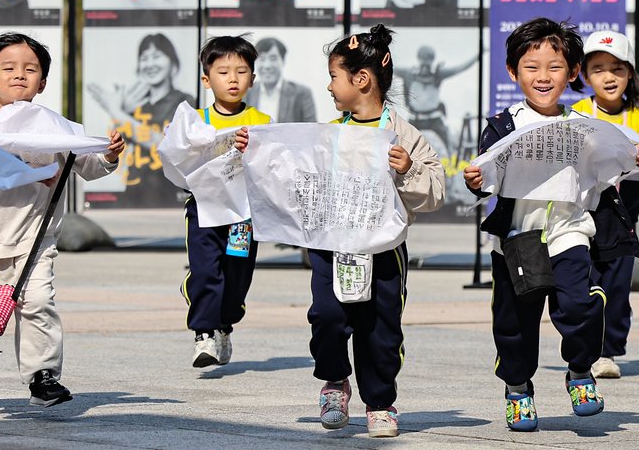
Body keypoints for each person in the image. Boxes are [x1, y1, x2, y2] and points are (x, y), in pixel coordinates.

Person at [235, 24, 444, 438]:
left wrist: (409, 170)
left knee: (380, 330)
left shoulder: (405, 135)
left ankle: (380, 403)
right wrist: (255, 152)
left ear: (361, 79)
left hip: (383, 251)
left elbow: (434, 191)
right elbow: (294, 177)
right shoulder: (327, 134)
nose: (329, 86)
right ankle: (334, 382)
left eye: (334, 76)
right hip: (332, 248)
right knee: (327, 318)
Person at [463, 18, 639, 432]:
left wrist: (634, 155)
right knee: (515, 322)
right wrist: (475, 182)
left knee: (579, 306)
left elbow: (608, 171)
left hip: (570, 231)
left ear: (572, 72)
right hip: (516, 240)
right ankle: (517, 389)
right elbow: (484, 178)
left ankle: (580, 372)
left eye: (554, 67)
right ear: (513, 72)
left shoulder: (585, 126)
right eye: (531, 67)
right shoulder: (502, 125)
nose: (543, 77)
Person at [0, 33, 125, 417]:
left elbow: (90, 166)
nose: (19, 75)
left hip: (37, 239)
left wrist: (109, 155)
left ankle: (42, 377)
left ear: (43, 82)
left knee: (39, 305)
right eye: (8, 68)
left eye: (30, 69)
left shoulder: (58, 128)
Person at [571, 30, 639, 379]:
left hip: (623, 223)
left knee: (618, 288)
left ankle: (607, 353)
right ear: (584, 75)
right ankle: (582, 349)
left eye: (617, 69)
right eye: (599, 68)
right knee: (581, 286)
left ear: (630, 74)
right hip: (582, 218)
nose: (609, 77)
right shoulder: (574, 116)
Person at [170, 35, 271, 369]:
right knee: (205, 269)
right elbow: (178, 159)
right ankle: (204, 334)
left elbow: (274, 166)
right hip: (204, 208)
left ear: (252, 79)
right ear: (206, 79)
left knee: (236, 276)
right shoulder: (195, 120)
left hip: (243, 214)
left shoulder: (262, 123)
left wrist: (254, 147)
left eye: (241, 72)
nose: (232, 79)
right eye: (223, 71)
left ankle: (224, 324)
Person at [88, 33, 194, 207]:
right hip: (132, 196)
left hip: (170, 197)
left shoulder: (184, 101)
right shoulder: (134, 105)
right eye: (144, 58)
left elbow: (164, 144)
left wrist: (116, 111)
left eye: (157, 56)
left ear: (173, 65)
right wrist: (122, 111)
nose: (150, 64)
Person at [393, 45, 477, 157]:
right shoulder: (410, 74)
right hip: (415, 119)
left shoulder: (438, 74)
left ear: (432, 60)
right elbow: (388, 67)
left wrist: (478, 55)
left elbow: (459, 68)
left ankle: (452, 168)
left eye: (428, 60)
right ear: (419, 59)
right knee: (401, 147)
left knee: (450, 149)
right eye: (423, 59)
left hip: (435, 119)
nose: (425, 64)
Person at [243, 37, 316, 123]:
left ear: (283, 61)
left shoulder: (302, 94)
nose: (267, 66)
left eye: (273, 58)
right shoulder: (246, 92)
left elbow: (312, 131)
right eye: (262, 59)